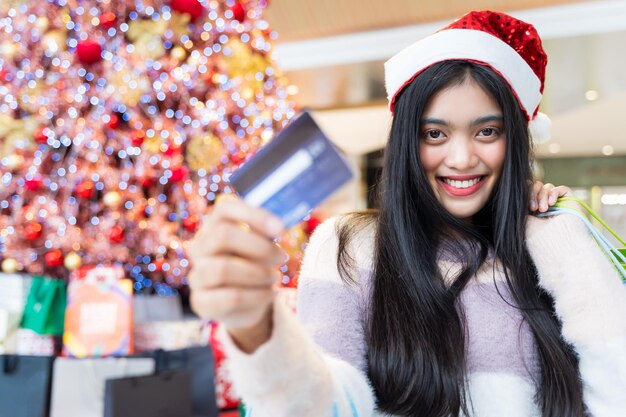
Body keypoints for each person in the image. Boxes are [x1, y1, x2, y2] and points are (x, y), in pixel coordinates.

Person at [188, 10, 626, 417]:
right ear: (405, 145)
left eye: (487, 131)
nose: (461, 157)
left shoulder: (546, 251)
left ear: (516, 139)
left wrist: (562, 238)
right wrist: (260, 330)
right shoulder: (349, 246)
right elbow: (325, 404)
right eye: (434, 133)